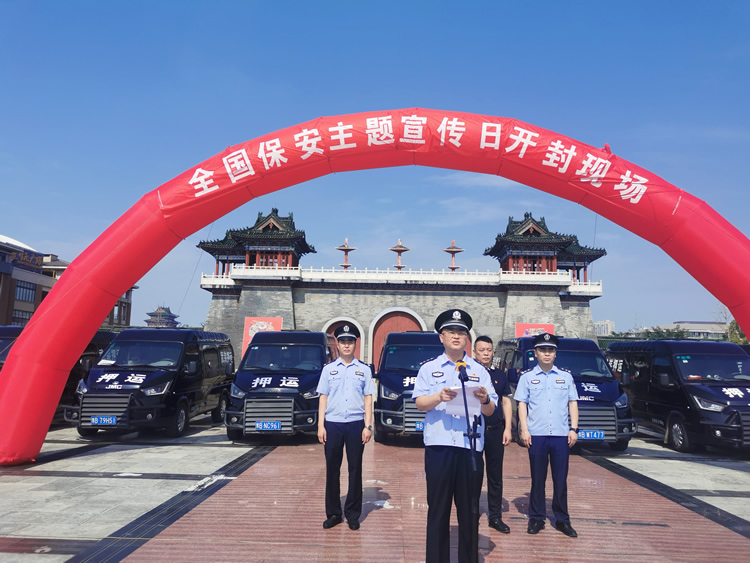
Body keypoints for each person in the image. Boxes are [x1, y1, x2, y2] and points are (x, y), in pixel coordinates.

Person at [413, 309, 498, 563]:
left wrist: (485, 399)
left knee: (469, 512)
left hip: (469, 447)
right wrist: (439, 396)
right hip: (439, 446)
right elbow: (419, 403)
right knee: (438, 510)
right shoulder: (429, 368)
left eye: (461, 332)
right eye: (451, 332)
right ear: (442, 337)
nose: (457, 336)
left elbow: (491, 410)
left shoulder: (479, 371)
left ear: (467, 338)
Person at [514, 332, 580, 537]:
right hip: (537, 435)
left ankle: (562, 520)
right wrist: (524, 430)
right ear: (535, 353)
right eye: (543, 350)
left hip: (561, 435)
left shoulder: (565, 377)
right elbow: (522, 404)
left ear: (555, 353)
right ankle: (536, 518)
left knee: (560, 480)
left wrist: (574, 429)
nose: (547, 353)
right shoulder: (527, 377)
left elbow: (572, 402)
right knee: (538, 479)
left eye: (550, 350)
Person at [317, 324, 375, 531]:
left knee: (355, 469)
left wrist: (368, 426)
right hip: (332, 424)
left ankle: (352, 514)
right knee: (332, 469)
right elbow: (323, 398)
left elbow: (368, 399)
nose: (346, 345)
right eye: (343, 342)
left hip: (355, 424)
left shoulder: (364, 370)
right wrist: (320, 425)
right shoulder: (328, 369)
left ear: (355, 344)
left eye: (350, 342)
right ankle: (333, 513)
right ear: (338, 344)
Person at [473, 335, 512, 534]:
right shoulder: (469, 373)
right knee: (473, 474)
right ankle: (472, 513)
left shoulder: (499, 375)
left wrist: (508, 428)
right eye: (482, 350)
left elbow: (505, 401)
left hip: (495, 430)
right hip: (474, 431)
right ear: (474, 352)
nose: (486, 354)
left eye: (489, 350)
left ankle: (495, 516)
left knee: (495, 475)